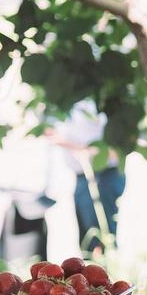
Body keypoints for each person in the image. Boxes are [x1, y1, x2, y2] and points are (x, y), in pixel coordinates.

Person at [45, 100, 125, 255]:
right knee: (87, 236)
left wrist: (82, 149)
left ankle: (106, 272)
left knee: (103, 236)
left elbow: (119, 146)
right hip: (82, 174)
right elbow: (50, 132)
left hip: (105, 174)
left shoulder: (105, 100)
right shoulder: (68, 100)